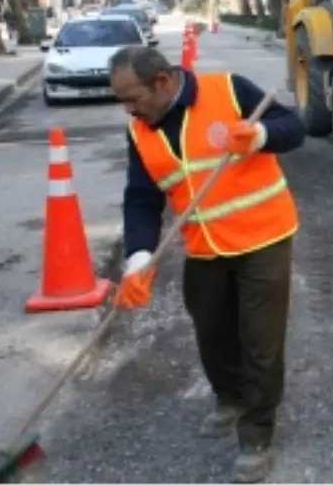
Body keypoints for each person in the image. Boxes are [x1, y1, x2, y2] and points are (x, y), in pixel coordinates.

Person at [109, 45, 306, 484]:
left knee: (260, 341)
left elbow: (294, 126)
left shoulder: (229, 90)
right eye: (122, 100)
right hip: (205, 245)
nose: (129, 108)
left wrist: (258, 137)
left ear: (162, 81)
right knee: (212, 331)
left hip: (263, 236)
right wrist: (138, 258)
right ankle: (230, 398)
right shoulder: (140, 129)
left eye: (133, 97)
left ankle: (256, 432)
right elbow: (141, 197)